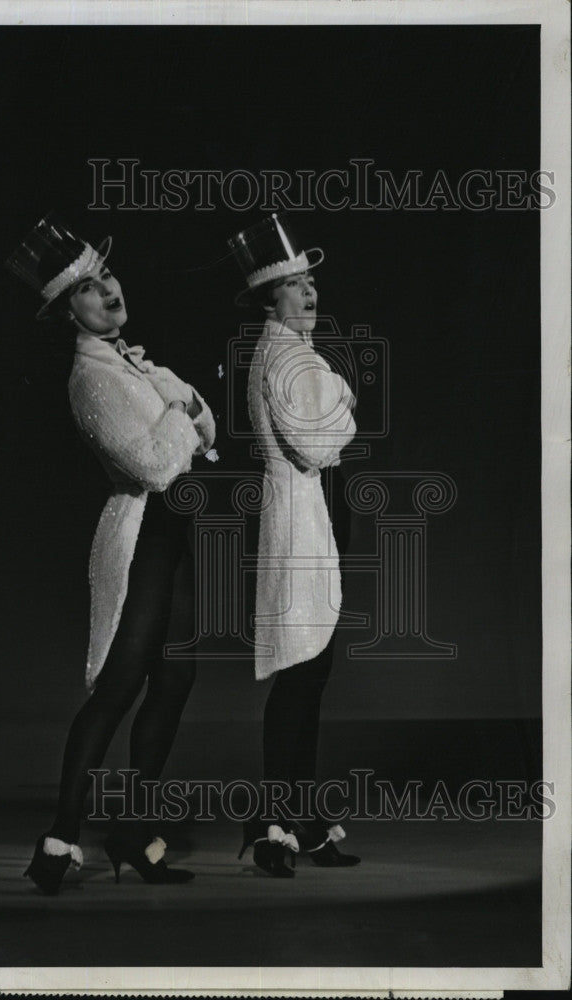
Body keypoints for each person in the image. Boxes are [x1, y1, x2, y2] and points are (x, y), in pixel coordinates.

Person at [6, 214, 215, 891]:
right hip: (142, 534)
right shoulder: (92, 378)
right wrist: (179, 408)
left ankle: (130, 829)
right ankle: (62, 837)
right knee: (121, 686)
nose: (109, 292)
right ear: (69, 310)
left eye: (108, 277)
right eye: (90, 290)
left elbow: (210, 429)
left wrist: (181, 407)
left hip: (171, 535)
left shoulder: (132, 361)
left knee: (176, 678)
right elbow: (158, 465)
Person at [227, 213, 360, 877]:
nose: (308, 293)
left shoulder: (287, 354)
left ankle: (296, 817)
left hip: (302, 516)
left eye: (310, 282)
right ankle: (275, 820)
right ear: (267, 299)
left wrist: (333, 399)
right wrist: (343, 398)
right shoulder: (289, 357)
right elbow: (318, 445)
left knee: (308, 677)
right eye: (292, 285)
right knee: (301, 677)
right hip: (296, 520)